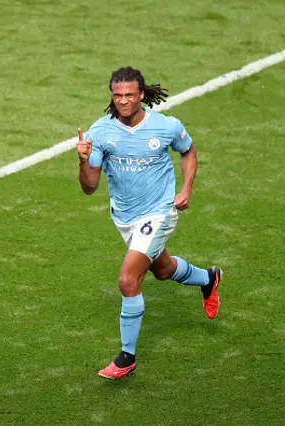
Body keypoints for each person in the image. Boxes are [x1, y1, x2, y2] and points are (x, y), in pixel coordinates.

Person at [76, 66, 222, 380]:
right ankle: (208, 279)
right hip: (125, 217)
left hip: (159, 213)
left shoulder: (166, 126)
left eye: (129, 95)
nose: (123, 101)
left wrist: (186, 188)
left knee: (128, 280)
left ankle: (126, 357)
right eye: (117, 96)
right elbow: (89, 187)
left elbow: (189, 152)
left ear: (142, 95)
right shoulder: (100, 132)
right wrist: (83, 159)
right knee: (164, 270)